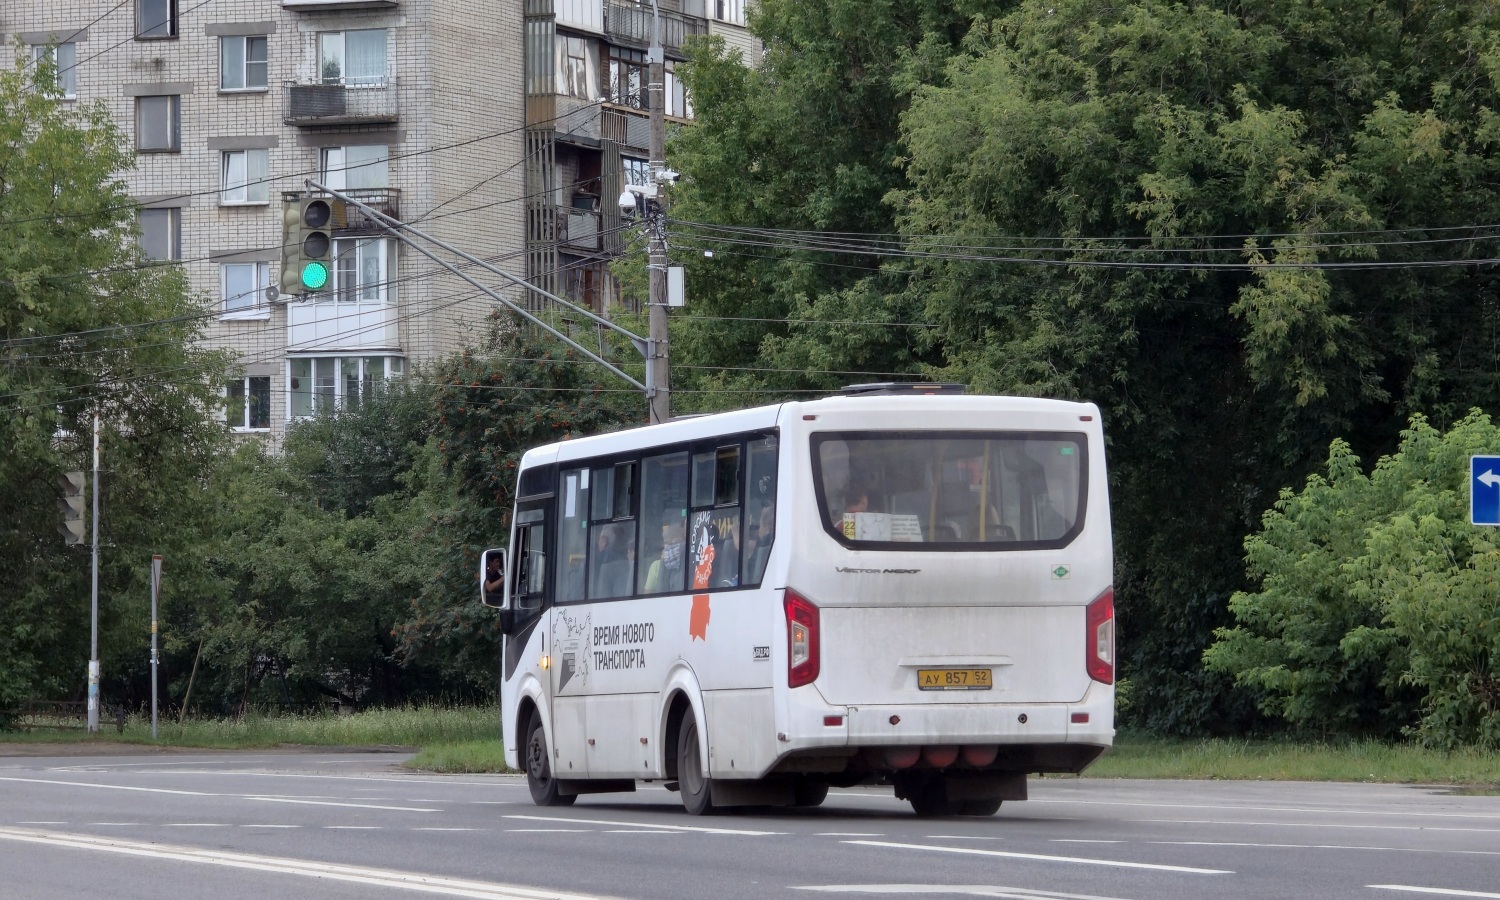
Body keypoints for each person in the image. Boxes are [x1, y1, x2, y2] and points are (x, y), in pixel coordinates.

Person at [643, 517, 685, 593]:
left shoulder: (690, 561)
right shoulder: (656, 566)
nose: (674, 548)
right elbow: (648, 595)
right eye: (670, 544)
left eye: (679, 543)